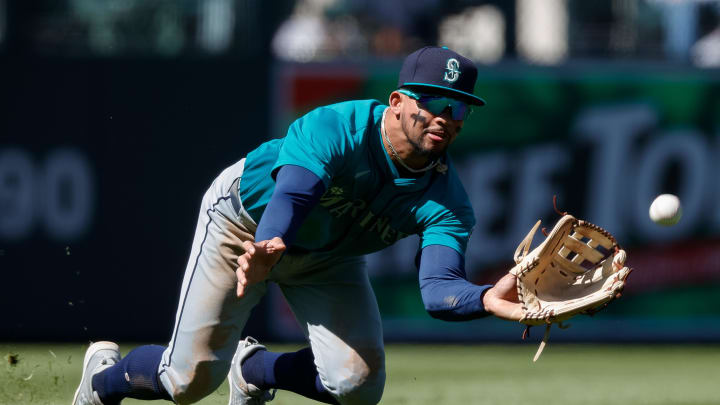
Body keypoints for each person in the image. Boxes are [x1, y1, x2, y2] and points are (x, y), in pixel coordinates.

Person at [72, 46, 523, 405]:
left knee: (358, 387)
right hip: (244, 226)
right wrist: (271, 242)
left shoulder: (448, 201)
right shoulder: (337, 127)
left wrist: (487, 297)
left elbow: (438, 288)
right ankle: (103, 380)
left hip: (329, 259)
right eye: (433, 100)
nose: (445, 116)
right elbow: (293, 195)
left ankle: (255, 371)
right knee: (188, 382)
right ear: (398, 101)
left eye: (459, 108)